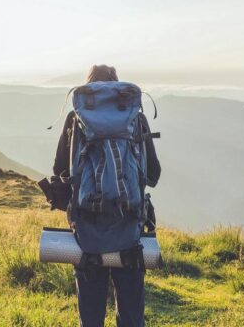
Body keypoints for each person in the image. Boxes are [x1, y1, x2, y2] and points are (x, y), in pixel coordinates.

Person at [53, 64, 161, 327]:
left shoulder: (75, 119)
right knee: (131, 315)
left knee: (90, 318)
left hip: (88, 232)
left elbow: (60, 172)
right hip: (129, 229)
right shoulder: (135, 118)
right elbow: (153, 174)